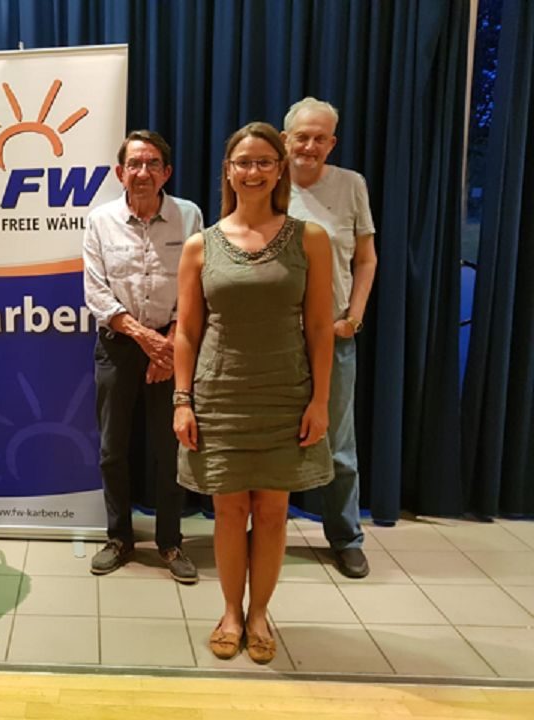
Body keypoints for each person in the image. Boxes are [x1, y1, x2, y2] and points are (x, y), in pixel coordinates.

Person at [173, 122, 334, 663]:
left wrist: (320, 401)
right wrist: (182, 401)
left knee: (271, 512)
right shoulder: (200, 245)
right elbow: (187, 332)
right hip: (220, 394)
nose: (254, 171)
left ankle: (260, 612)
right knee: (227, 511)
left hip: (286, 393)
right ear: (228, 171)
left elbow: (320, 328)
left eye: (265, 161)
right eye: (244, 162)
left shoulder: (310, 239)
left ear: (280, 169)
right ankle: (230, 612)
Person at [82, 130, 203, 583]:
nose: (143, 172)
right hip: (118, 345)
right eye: (134, 163)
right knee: (113, 449)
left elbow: (197, 284)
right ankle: (119, 538)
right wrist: (144, 338)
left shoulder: (189, 216)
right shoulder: (100, 220)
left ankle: (171, 542)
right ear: (120, 173)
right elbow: (96, 291)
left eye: (153, 163)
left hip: (173, 345)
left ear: (166, 172)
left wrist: (168, 343)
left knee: (169, 450)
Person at [282, 98, 377, 579]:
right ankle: (264, 533)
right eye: (302, 136)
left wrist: (353, 317)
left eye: (321, 138)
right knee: (270, 444)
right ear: (286, 140)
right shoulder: (265, 182)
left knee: (338, 446)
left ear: (332, 143)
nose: (310, 146)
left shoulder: (351, 185)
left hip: (334, 338)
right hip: (276, 340)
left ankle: (346, 537)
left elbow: (366, 258)